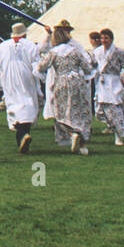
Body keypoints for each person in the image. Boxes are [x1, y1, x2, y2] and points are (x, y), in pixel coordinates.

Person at [0, 22, 43, 154]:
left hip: (9, 79)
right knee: (28, 104)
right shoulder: (31, 45)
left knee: (14, 105)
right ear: (24, 33)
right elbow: (37, 65)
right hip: (26, 78)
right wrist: (43, 79)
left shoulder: (2, 46)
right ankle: (24, 134)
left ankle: (22, 136)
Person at [38, 22, 95, 155]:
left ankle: (72, 133)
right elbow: (87, 68)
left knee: (60, 112)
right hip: (77, 82)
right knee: (79, 112)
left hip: (62, 82)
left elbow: (41, 67)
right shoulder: (75, 50)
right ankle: (82, 144)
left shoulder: (53, 52)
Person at [94, 28, 124, 145]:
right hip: (102, 83)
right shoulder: (97, 52)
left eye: (106, 38)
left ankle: (121, 136)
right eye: (101, 38)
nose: (103, 40)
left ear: (111, 39)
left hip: (114, 82)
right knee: (105, 111)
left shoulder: (119, 52)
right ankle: (117, 132)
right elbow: (91, 66)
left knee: (118, 110)